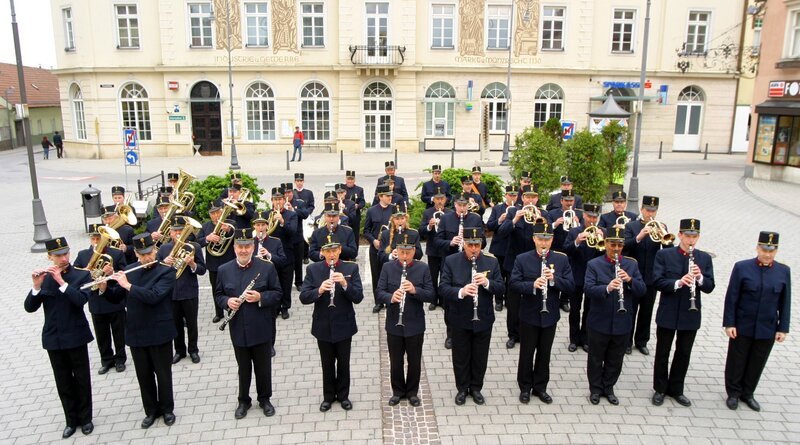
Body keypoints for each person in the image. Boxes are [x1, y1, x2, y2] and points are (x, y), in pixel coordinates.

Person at [103, 233, 177, 429]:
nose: (147, 257)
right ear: (136, 254)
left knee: (163, 374)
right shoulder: (129, 270)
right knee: (144, 375)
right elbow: (116, 297)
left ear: (155, 250)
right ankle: (151, 411)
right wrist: (104, 287)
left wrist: (128, 285)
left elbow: (154, 296)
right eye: (143, 254)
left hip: (160, 331)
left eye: (150, 253)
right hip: (136, 331)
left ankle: (167, 409)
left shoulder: (166, 271)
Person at [25, 237, 95, 438]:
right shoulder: (44, 278)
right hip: (53, 338)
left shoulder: (82, 275)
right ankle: (71, 421)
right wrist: (36, 287)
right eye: (58, 255)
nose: (63, 258)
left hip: (76, 335)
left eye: (66, 253)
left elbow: (80, 300)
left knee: (81, 379)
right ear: (50, 257)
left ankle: (86, 419)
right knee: (63, 381)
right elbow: (30, 308)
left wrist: (62, 283)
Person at [215, 229, 282, 419]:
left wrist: (261, 297)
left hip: (261, 327)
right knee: (243, 368)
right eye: (240, 246)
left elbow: (278, 293)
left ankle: (264, 399)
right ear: (234, 248)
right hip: (238, 328)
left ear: (253, 247)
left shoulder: (266, 267)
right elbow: (218, 295)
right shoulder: (224, 270)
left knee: (263, 368)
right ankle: (243, 400)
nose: (243, 250)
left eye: (247, 246)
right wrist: (227, 302)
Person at [723, 231, 791, 411]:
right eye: (764, 250)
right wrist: (729, 323)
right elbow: (732, 297)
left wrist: (783, 328)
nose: (767, 254)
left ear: (776, 251)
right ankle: (733, 393)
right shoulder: (742, 267)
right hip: (743, 324)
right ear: (757, 248)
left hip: (767, 326)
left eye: (771, 251)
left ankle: (748, 393)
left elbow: (785, 301)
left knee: (757, 361)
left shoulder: (783, 271)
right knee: (737, 360)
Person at [651, 218, 715, 407]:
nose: (691, 240)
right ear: (680, 235)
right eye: (687, 236)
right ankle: (660, 389)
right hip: (668, 311)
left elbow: (710, 286)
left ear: (698, 237)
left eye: (694, 237)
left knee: (684, 353)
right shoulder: (664, 255)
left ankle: (676, 389)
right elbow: (657, 281)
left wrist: (700, 277)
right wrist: (679, 282)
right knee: (662, 351)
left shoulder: (704, 258)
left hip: (690, 313)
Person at [510, 222, 574, 404]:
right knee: (526, 352)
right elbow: (513, 284)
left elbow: (570, 285)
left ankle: (540, 387)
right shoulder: (522, 259)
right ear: (534, 239)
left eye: (547, 239)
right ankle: (525, 387)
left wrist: (554, 279)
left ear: (552, 240)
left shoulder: (561, 259)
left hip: (550, 315)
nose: (543, 243)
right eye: (540, 239)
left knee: (544, 353)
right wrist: (532, 285)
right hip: (529, 314)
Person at [299, 232, 364, 412]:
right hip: (322, 325)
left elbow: (358, 297)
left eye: (335, 250)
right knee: (327, 364)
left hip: (344, 324)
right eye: (328, 251)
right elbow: (304, 297)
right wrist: (319, 290)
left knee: (343, 363)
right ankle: (328, 396)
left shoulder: (351, 268)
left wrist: (345, 284)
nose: (332, 254)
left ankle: (343, 396)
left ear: (340, 250)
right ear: (323, 252)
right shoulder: (313, 270)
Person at [439, 226, 504, 405]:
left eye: (477, 245)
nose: (474, 249)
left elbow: (501, 288)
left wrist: (487, 283)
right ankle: (462, 388)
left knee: (480, 356)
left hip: (483, 317)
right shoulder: (451, 261)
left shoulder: (492, 262)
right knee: (460, 356)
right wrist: (461, 291)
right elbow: (443, 288)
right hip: (459, 317)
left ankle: (476, 388)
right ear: (464, 244)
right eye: (470, 245)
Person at [583, 227, 646, 405]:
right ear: (605, 244)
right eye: (612, 244)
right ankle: (595, 389)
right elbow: (588, 289)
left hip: (622, 321)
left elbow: (642, 290)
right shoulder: (594, 264)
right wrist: (607, 288)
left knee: (615, 358)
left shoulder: (631, 265)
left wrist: (630, 280)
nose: (616, 248)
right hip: (599, 320)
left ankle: (608, 387)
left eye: (619, 245)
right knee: (595, 358)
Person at [377, 231, 435, 407]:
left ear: (414, 251)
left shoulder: (422, 268)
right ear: (396, 250)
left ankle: (412, 392)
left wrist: (415, 290)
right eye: (402, 252)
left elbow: (431, 295)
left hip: (415, 323)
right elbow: (379, 292)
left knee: (414, 360)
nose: (404, 256)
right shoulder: (388, 268)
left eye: (408, 252)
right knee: (395, 361)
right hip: (394, 322)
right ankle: (397, 391)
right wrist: (391, 297)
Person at [498, 185, 548, 349]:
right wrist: (514, 220)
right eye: (527, 197)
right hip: (514, 263)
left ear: (537, 198)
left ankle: (529, 333)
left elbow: (548, 238)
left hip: (535, 264)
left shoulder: (544, 214)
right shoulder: (513, 211)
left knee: (533, 301)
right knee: (513, 303)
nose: (530, 200)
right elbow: (502, 233)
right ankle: (513, 334)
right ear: (522, 198)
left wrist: (541, 221)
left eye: (533, 197)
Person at [73, 224, 128, 374]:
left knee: (119, 333)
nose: (97, 241)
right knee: (101, 334)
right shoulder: (83, 255)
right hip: (96, 301)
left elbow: (125, 272)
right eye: (94, 238)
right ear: (90, 239)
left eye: (99, 238)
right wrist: (87, 273)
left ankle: (120, 359)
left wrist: (112, 272)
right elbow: (75, 274)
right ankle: (106, 360)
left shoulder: (116, 254)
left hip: (114, 299)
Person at [434, 193, 486, 348]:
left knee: (471, 294)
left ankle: (471, 326)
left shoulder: (475, 219)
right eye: (459, 205)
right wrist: (451, 242)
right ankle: (451, 334)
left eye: (465, 205)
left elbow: (483, 242)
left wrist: (470, 242)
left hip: (471, 262)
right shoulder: (446, 218)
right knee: (450, 300)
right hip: (451, 263)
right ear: (455, 205)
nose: (462, 208)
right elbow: (437, 241)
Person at [156, 216, 207, 365]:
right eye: (175, 231)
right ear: (170, 232)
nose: (178, 233)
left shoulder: (194, 247)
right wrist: (164, 263)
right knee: (175, 324)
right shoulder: (164, 249)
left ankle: (193, 350)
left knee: (192, 324)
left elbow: (202, 270)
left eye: (180, 230)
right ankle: (179, 351)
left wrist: (192, 264)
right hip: (171, 293)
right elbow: (156, 271)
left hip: (189, 291)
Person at [622, 195, 669, 355]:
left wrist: (663, 236)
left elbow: (668, 249)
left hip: (651, 276)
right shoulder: (631, 226)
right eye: (648, 210)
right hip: (634, 275)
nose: (650, 213)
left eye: (653, 211)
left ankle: (642, 341)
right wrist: (639, 236)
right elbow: (624, 246)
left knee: (646, 311)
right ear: (642, 209)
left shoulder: (661, 226)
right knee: (631, 310)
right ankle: (627, 341)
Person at [563, 204, 606, 353]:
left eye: (595, 217)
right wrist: (577, 241)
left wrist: (603, 239)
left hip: (594, 278)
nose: (592, 220)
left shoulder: (603, 232)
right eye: (589, 216)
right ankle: (574, 340)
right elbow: (566, 250)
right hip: (577, 276)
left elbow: (607, 254)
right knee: (575, 310)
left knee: (590, 309)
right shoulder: (574, 231)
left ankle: (586, 338)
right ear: (584, 216)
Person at [197, 200, 236, 323]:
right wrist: (207, 238)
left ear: (222, 211)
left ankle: (232, 310)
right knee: (216, 289)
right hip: (213, 263)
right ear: (209, 214)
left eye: (218, 212)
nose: (216, 215)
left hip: (228, 261)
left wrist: (229, 231)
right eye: (213, 213)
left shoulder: (231, 223)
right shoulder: (205, 226)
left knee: (231, 287)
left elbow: (238, 237)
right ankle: (218, 313)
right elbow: (197, 243)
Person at [364, 184, 396, 313]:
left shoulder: (394, 209)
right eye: (387, 196)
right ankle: (378, 302)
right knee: (376, 275)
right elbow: (366, 231)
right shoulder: (371, 211)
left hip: (390, 249)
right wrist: (373, 241)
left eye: (390, 195)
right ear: (380, 196)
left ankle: (389, 299)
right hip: (376, 249)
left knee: (390, 275)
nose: (390, 197)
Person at [419, 187, 452, 311]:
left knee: (445, 276)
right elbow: (421, 231)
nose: (439, 201)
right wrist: (429, 226)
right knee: (432, 276)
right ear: (433, 200)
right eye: (437, 199)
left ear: (445, 200)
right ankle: (433, 300)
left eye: (442, 199)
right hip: (433, 249)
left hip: (446, 250)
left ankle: (443, 300)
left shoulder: (450, 212)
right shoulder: (427, 213)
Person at [268, 187, 298, 321]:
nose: (278, 202)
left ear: (283, 200)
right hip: (271, 255)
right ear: (272, 201)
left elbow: (293, 232)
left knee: (286, 283)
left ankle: (285, 307)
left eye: (280, 199)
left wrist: (282, 222)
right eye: (275, 199)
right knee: (274, 283)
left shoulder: (291, 215)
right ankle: (275, 307)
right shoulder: (267, 214)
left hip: (287, 254)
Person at [486, 185, 518, 309]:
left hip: (514, 247)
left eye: (515, 195)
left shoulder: (520, 209)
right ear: (506, 195)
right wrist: (499, 220)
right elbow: (489, 226)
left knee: (511, 276)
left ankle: (509, 300)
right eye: (510, 195)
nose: (512, 197)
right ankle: (498, 300)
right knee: (499, 275)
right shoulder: (498, 208)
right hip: (500, 246)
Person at [293, 173, 315, 266]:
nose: (299, 183)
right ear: (295, 182)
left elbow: (311, 205)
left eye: (301, 181)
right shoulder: (292, 193)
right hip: (296, 217)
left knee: (306, 236)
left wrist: (307, 212)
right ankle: (298, 256)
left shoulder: (308, 193)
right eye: (297, 181)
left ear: (303, 181)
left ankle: (306, 256)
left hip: (306, 218)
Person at [343, 171, 366, 239]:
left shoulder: (359, 189)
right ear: (345, 179)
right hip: (344, 216)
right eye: (348, 179)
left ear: (354, 180)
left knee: (355, 236)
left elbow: (362, 202)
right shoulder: (342, 189)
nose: (350, 181)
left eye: (352, 179)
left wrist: (358, 206)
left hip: (355, 216)